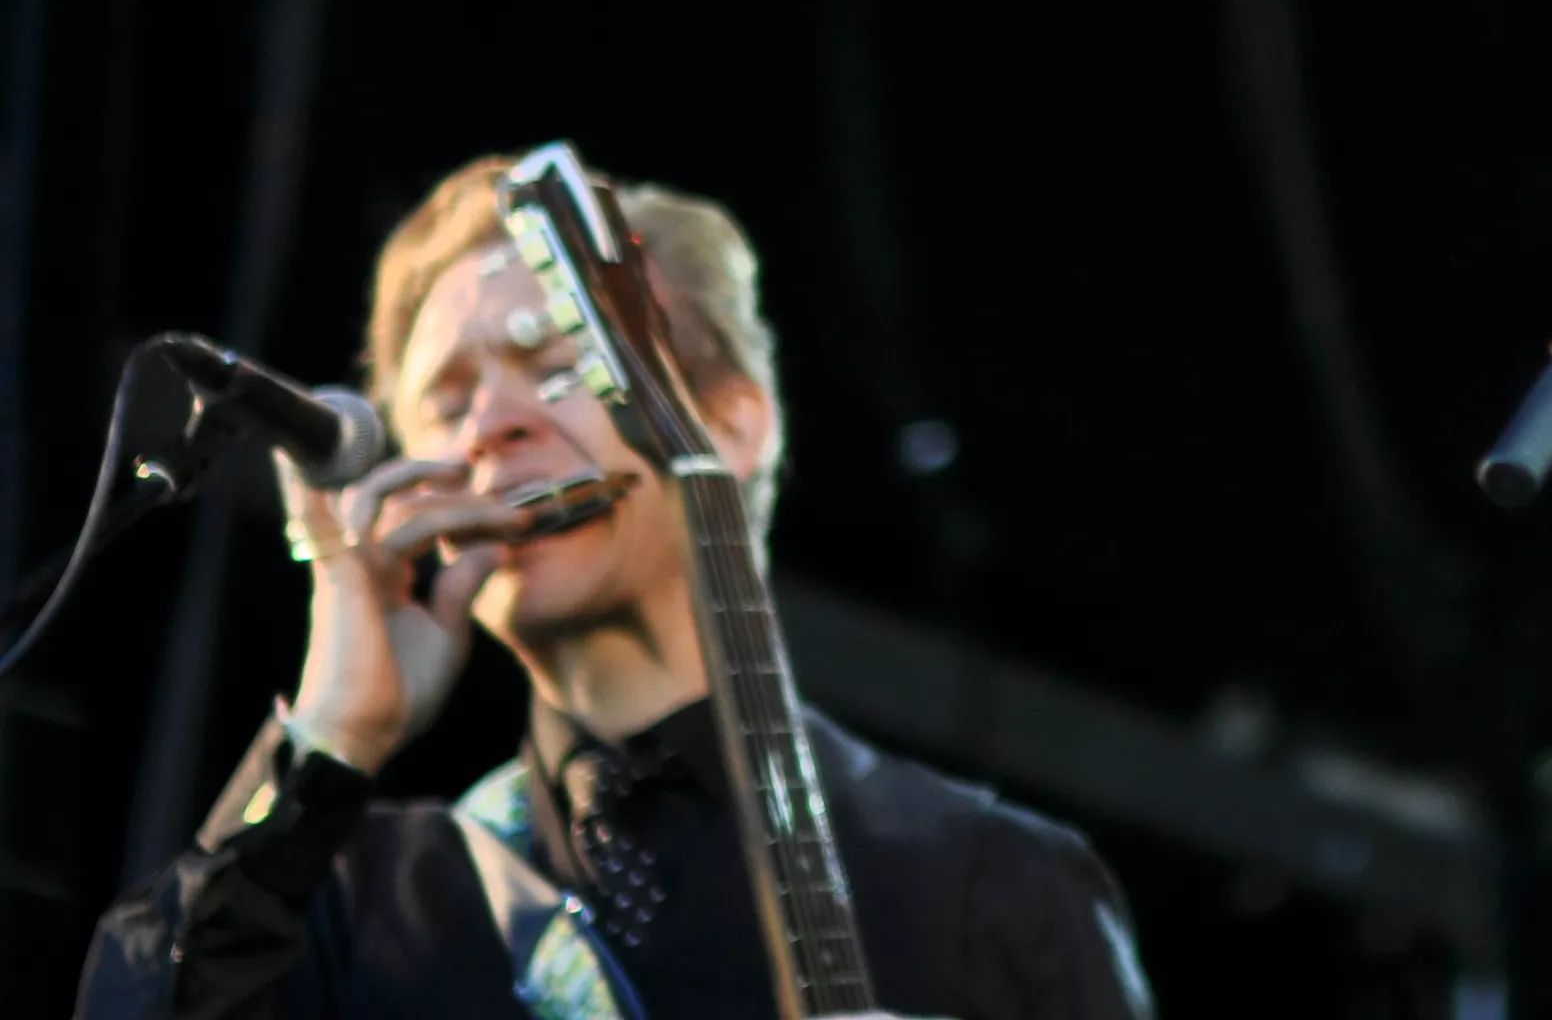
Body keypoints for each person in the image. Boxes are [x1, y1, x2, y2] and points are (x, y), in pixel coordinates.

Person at [82, 156, 1156, 1019]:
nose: (492, 427)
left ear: (730, 423)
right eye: (446, 404)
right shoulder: (347, 904)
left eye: (561, 369)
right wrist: (327, 735)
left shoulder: (994, 884)